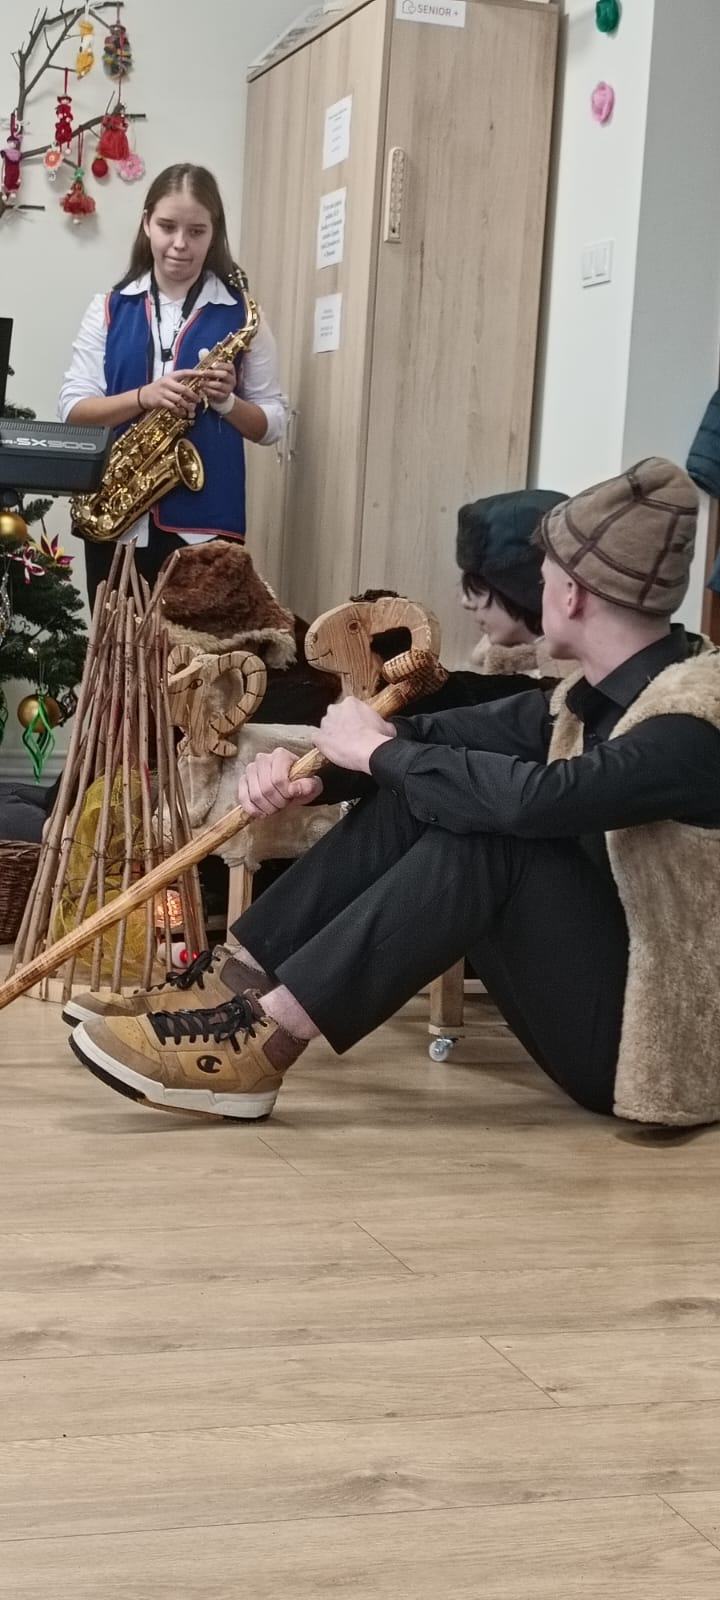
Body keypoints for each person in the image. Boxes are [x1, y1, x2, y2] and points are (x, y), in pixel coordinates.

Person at [69, 457, 720, 1130]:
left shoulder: (695, 721)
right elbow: (427, 736)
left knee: (492, 835)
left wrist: (378, 752)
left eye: (546, 572)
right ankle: (232, 983)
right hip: (606, 1003)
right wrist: (314, 772)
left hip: (664, 1055)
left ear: (572, 594)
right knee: (423, 787)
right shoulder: (590, 700)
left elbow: (540, 802)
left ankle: (263, 1041)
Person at [58, 163, 288, 609]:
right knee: (117, 651)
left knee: (200, 653)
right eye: (167, 227)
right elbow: (73, 407)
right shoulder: (107, 308)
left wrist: (227, 403)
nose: (180, 244)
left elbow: (273, 424)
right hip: (117, 521)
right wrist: (143, 397)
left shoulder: (244, 316)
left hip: (207, 529)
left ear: (214, 233)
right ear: (146, 223)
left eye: (196, 231)